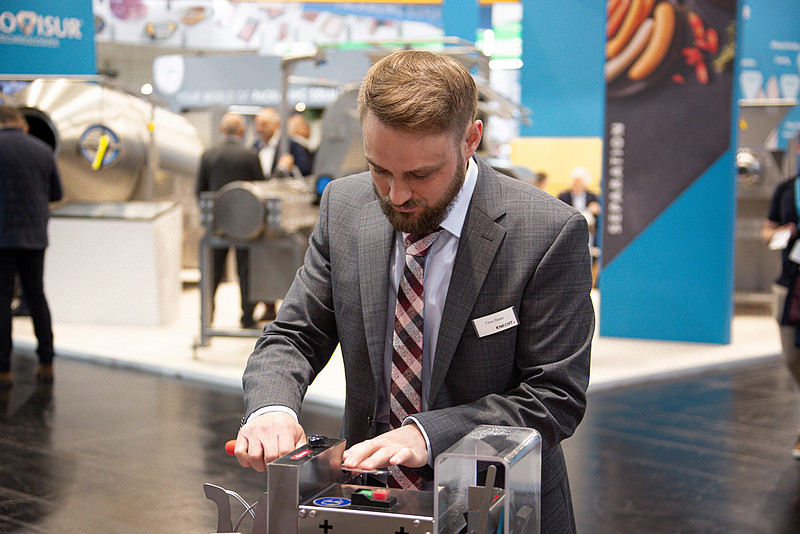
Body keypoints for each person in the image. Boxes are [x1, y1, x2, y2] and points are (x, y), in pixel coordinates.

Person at [234, 50, 594, 533]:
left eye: (421, 174)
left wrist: (427, 435)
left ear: (471, 140)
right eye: (379, 169)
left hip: (497, 504)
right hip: (367, 502)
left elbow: (554, 395)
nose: (396, 194)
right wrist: (272, 409)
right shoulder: (345, 206)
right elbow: (295, 334)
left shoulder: (547, 232)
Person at [0, 105, 63, 387]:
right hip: (34, 236)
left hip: (2, 236)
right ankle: (47, 363)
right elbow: (56, 193)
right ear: (22, 124)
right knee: (36, 296)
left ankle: (3, 370)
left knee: (2, 299)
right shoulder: (43, 151)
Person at [196, 113, 264, 328]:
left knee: (212, 271)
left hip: (217, 223)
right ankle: (247, 317)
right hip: (247, 223)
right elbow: (261, 189)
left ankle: (207, 318)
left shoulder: (209, 155)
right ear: (242, 131)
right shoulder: (250, 156)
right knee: (246, 271)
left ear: (222, 129)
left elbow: (199, 190)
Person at [762, 142, 800, 459]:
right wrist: (783, 234)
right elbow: (766, 231)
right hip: (790, 285)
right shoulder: (786, 189)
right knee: (791, 357)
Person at [253, 107, 314, 178]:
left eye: (264, 124)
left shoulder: (292, 145)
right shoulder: (255, 146)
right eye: (257, 124)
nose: (259, 129)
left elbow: (306, 172)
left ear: (276, 124)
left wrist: (286, 170)